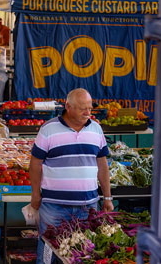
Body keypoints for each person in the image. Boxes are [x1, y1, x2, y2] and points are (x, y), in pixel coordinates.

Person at [30, 88, 112, 264]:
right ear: (68, 106)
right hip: (54, 206)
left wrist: (107, 197)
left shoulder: (96, 129)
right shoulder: (48, 129)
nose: (88, 112)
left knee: (82, 252)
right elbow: (35, 163)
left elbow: (102, 165)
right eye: (83, 108)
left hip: (87, 206)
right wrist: (35, 194)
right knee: (48, 251)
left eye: (90, 108)